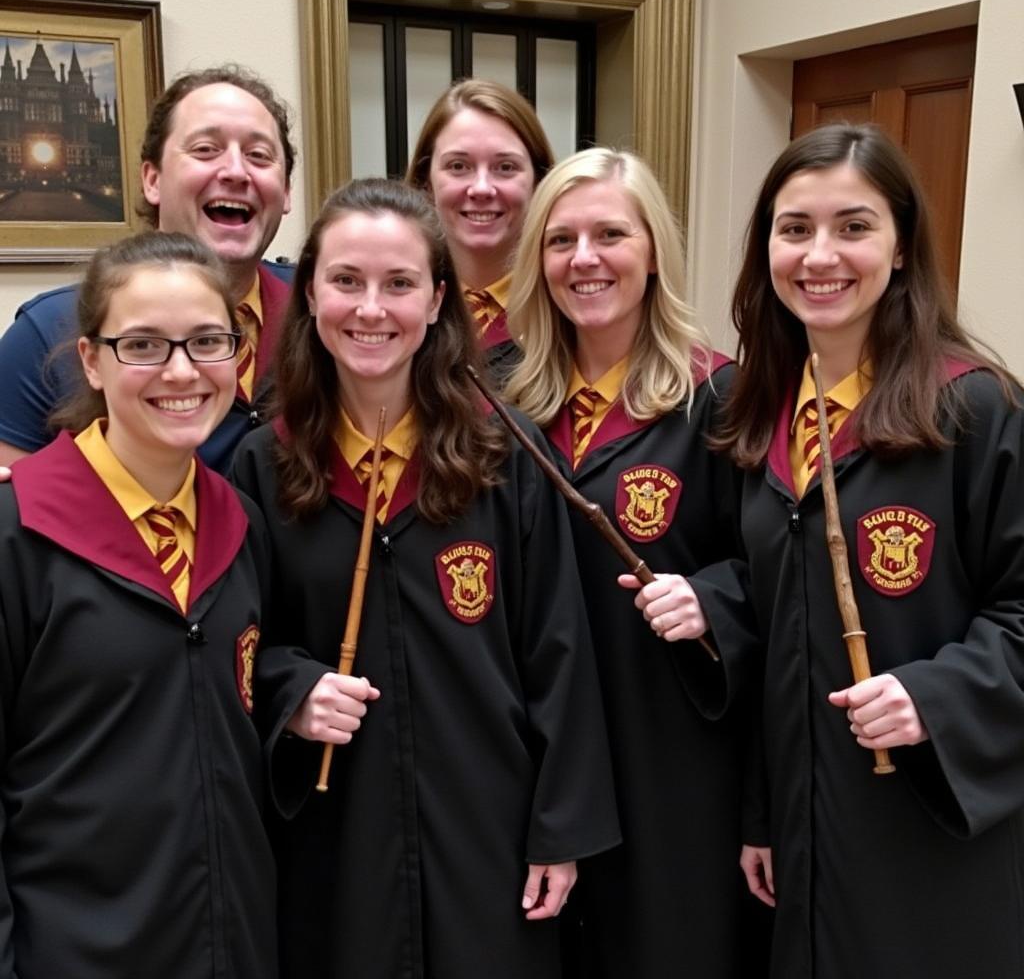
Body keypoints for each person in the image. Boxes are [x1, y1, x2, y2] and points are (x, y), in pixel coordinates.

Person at [230, 177, 620, 979]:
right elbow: (236, 647)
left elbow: (560, 650)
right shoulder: (262, 466)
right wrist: (292, 690)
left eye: (399, 284)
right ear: (309, 296)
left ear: (439, 300)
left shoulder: (502, 458)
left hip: (490, 831)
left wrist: (560, 828)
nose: (371, 309)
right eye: (346, 281)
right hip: (335, 838)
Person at [715, 122, 1024, 979]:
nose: (820, 255)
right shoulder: (762, 422)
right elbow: (779, 638)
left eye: (854, 227)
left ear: (901, 246)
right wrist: (762, 813)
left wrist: (935, 696)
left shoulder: (974, 410)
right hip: (803, 829)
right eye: (794, 228)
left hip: (929, 823)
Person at [504, 148, 767, 979]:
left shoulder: (720, 399)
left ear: (653, 249)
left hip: (669, 759)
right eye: (560, 239)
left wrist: (713, 602)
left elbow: (775, 575)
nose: (584, 259)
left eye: (610, 234)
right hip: (533, 758)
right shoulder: (496, 400)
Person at [0, 231, 277, 977]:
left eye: (207, 341)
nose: (182, 371)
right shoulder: (19, 536)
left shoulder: (241, 525)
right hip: (78, 950)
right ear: (91, 358)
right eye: (144, 346)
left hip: (232, 941)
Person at [0, 64, 295, 473]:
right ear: (152, 180)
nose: (235, 171)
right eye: (205, 149)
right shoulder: (46, 333)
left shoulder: (321, 312)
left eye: (259, 155)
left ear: (286, 192)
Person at [406, 78, 554, 385]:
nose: (482, 188)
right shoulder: (395, 307)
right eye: (459, 166)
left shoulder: (567, 310)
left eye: (506, 167)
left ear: (539, 181)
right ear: (426, 182)